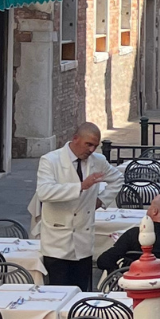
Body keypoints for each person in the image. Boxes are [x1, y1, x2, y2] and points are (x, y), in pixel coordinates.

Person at [32, 123, 113, 289]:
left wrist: (102, 200)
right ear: (75, 139)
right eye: (88, 144)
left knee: (82, 292)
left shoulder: (98, 161)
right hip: (57, 242)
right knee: (58, 292)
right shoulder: (50, 160)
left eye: (95, 146)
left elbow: (118, 179)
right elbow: (44, 192)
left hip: (84, 240)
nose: (91, 150)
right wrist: (80, 187)